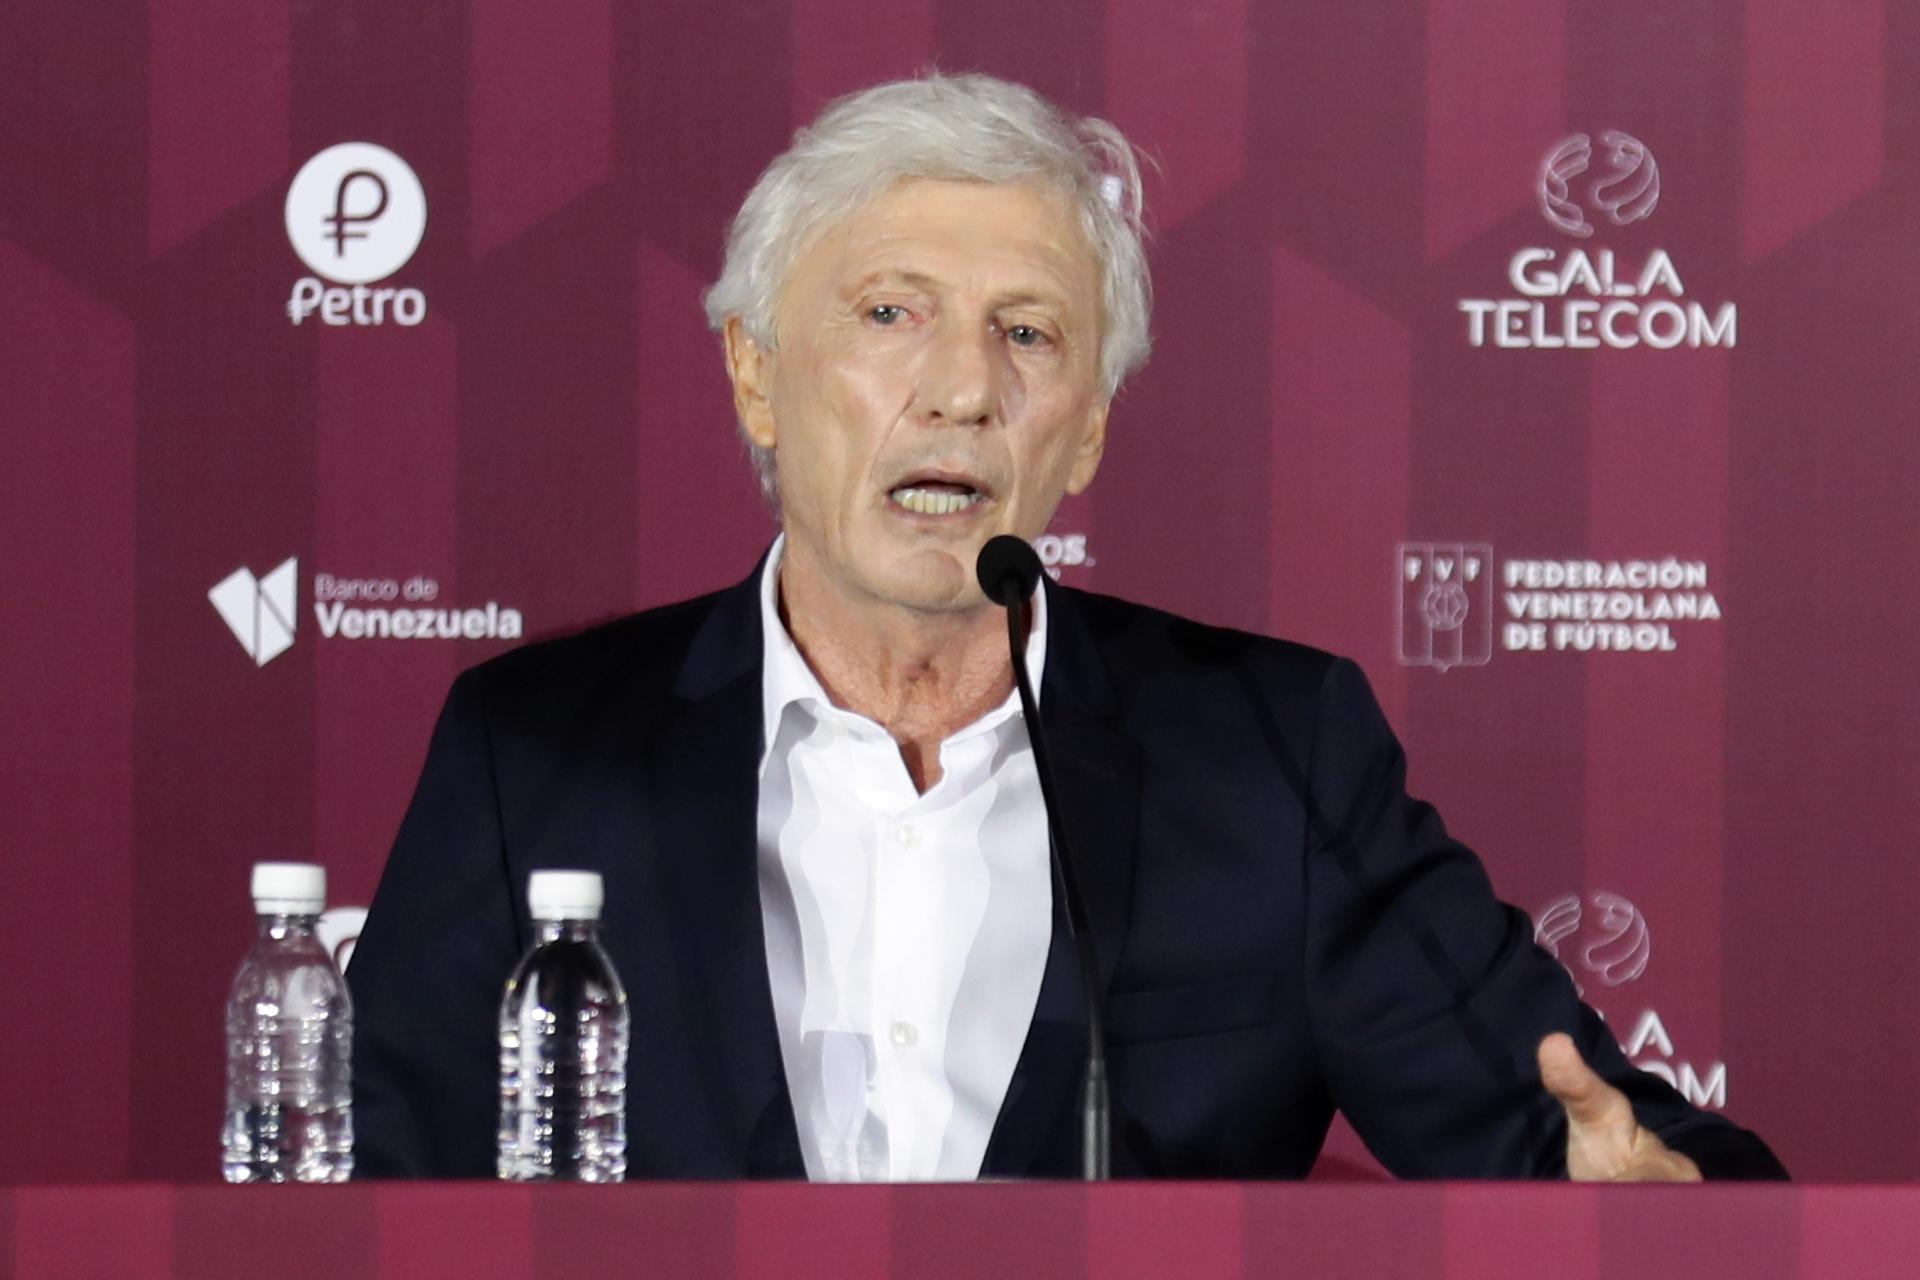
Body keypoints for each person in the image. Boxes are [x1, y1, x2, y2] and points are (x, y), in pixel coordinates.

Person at [348, 73, 1784, 1181]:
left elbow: (1595, 1145)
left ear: (1087, 429)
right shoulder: (530, 755)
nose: (963, 389)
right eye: (892, 313)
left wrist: (1660, 1201)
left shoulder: (1272, 758)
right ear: (758, 374)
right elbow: (369, 1205)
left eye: (1028, 335)